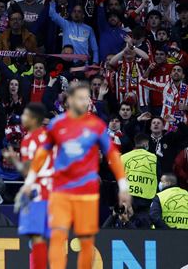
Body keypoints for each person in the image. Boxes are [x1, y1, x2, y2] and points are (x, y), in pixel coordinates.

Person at [19, 83, 132, 269]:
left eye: (86, 98)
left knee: (86, 240)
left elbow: (112, 155)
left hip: (86, 192)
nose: (83, 102)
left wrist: (123, 186)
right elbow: (43, 154)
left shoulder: (96, 126)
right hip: (61, 191)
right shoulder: (57, 124)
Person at [7, 103, 52, 269]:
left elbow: (28, 172)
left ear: (34, 119)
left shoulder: (29, 140)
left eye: (25, 115)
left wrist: (14, 161)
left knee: (36, 239)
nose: (22, 118)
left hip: (38, 195)